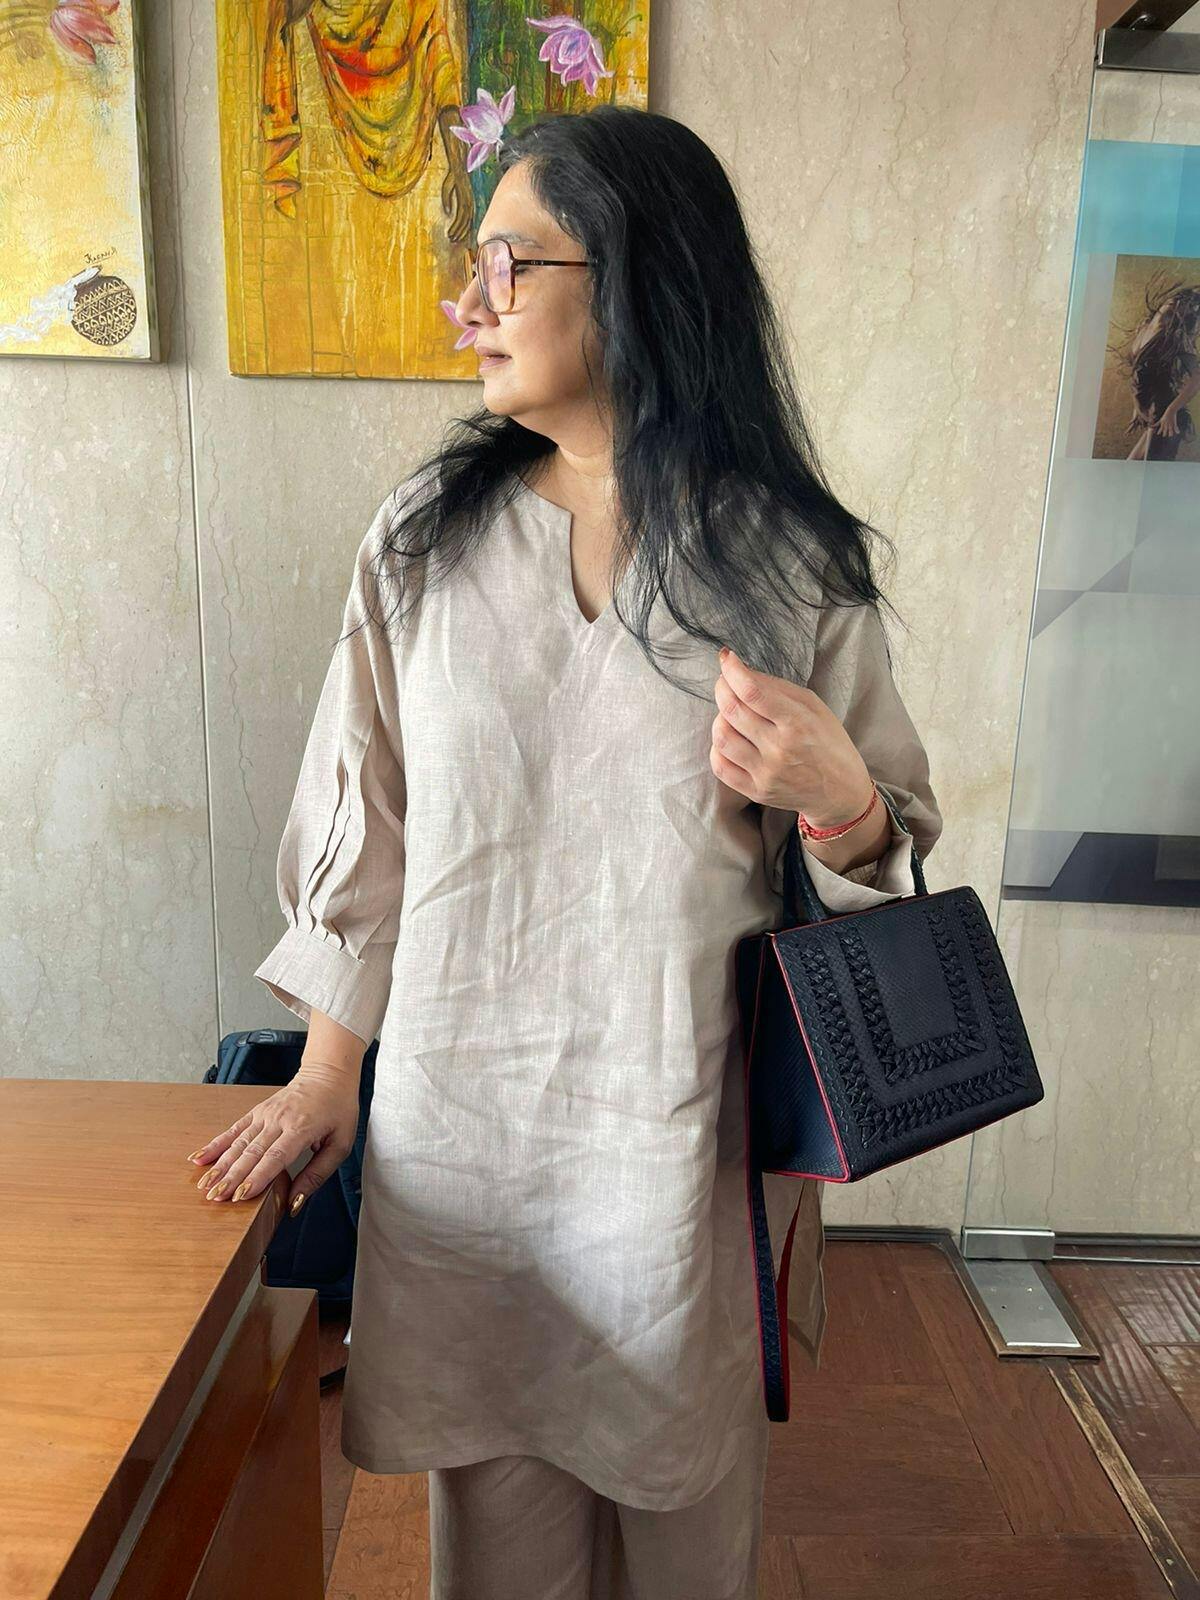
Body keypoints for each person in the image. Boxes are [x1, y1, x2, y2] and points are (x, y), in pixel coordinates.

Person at [187, 106, 943, 1599]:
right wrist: (329, 1076)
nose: (466, 304)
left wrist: (838, 794)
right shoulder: (424, 541)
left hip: (676, 1148)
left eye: (507, 263)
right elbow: (368, 825)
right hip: (469, 1145)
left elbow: (879, 866)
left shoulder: (787, 560)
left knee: (686, 1543)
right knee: (500, 1560)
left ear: (636, 276)